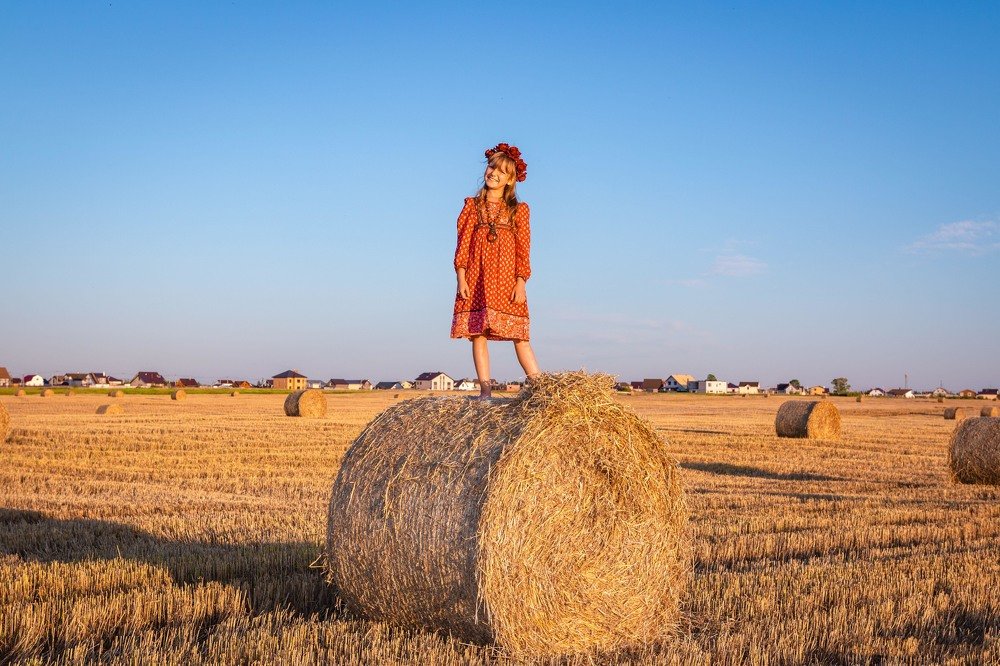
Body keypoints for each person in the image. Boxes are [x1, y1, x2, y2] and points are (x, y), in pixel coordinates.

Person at [451, 142, 540, 399]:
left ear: (511, 179)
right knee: (478, 334)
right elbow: (462, 244)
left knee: (520, 334)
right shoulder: (472, 206)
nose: (494, 173)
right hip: (477, 277)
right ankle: (485, 391)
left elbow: (523, 249)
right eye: (492, 167)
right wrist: (461, 278)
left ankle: (541, 388)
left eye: (502, 171)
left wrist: (521, 281)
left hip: (507, 279)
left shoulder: (519, 210)